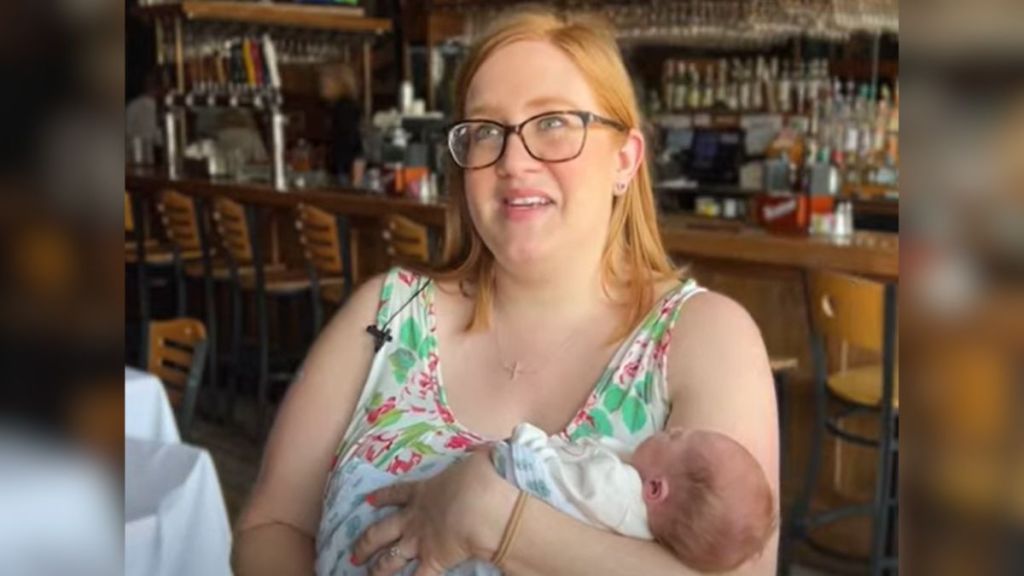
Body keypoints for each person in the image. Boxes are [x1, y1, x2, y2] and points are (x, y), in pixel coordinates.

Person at [233, 7, 778, 576]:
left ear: (625, 160)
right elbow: (273, 526)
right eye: (486, 131)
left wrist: (497, 520)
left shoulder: (707, 337)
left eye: (554, 122)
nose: (513, 161)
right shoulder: (387, 315)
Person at [316, 425, 775, 575]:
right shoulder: (636, 505)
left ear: (656, 490)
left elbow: (550, 476)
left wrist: (520, 440)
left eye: (675, 436)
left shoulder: (615, 490)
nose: (667, 431)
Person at [319, 62, 365, 186]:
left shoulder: (344, 108)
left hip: (343, 173)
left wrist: (355, 176)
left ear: (339, 83)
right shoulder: (339, 107)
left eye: (326, 80)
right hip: (341, 171)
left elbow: (352, 143)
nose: (322, 85)